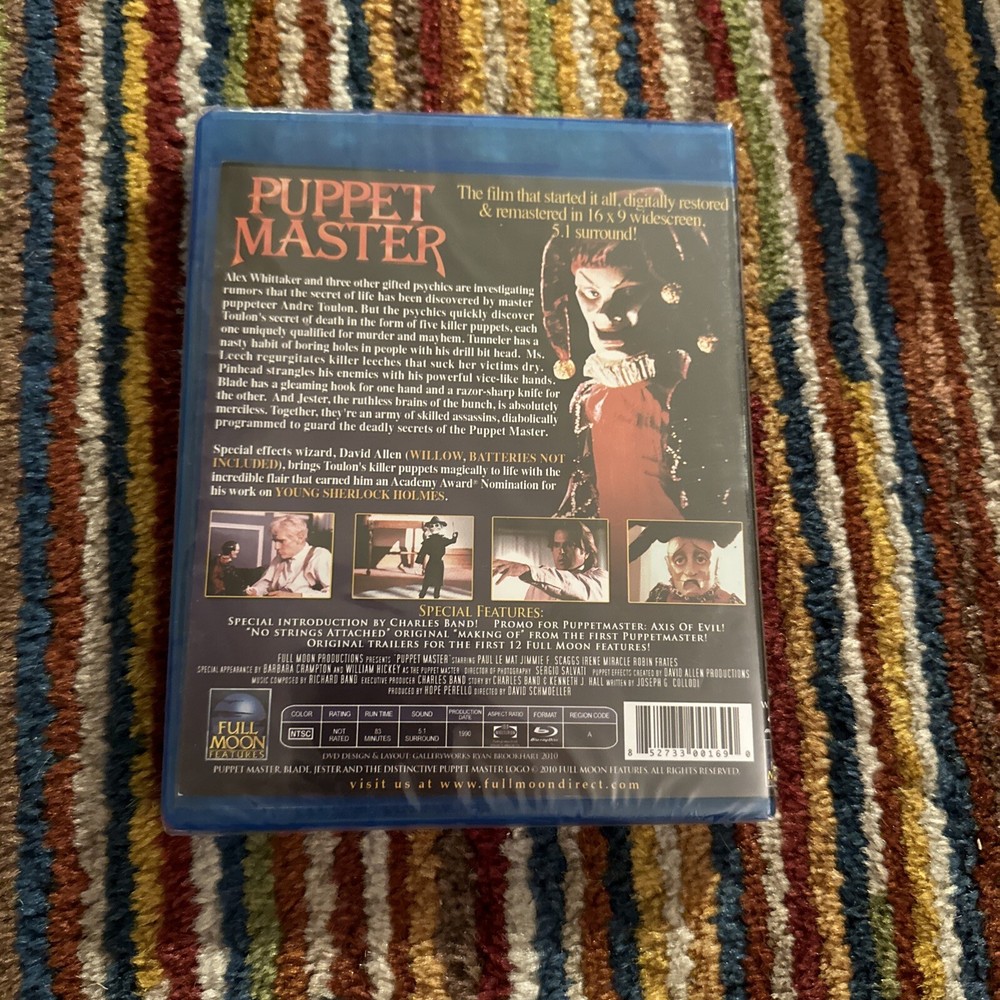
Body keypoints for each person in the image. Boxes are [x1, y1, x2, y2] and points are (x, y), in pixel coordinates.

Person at [540, 194, 736, 528]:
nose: (605, 315)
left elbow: (715, 499)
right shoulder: (589, 395)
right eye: (591, 293)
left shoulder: (689, 390)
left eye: (629, 292)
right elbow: (585, 489)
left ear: (669, 294)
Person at [630, 521, 743, 604]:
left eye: (700, 559)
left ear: (717, 564)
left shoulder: (731, 605)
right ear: (668, 565)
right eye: (679, 560)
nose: (690, 571)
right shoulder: (659, 597)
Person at [492, 521, 609, 602]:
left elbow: (571, 584)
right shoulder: (537, 585)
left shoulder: (601, 579)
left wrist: (527, 570)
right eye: (557, 545)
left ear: (586, 552)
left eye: (569, 545)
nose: (561, 551)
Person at [246, 515, 332, 598]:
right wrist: (255, 591)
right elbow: (267, 583)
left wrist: (297, 596)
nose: (276, 547)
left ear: (300, 538)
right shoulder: (279, 558)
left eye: (281, 541)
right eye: (275, 541)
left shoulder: (320, 556)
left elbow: (332, 594)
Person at [417, 516, 458, 599]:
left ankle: (436, 596)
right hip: (433, 563)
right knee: (427, 581)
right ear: (429, 528)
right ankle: (422, 596)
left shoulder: (441, 540)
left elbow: (452, 541)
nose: (434, 527)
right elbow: (422, 552)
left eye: (436, 525)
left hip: (438, 564)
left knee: (438, 582)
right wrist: (420, 563)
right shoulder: (428, 541)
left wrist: (454, 537)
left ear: (441, 527)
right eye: (432, 526)